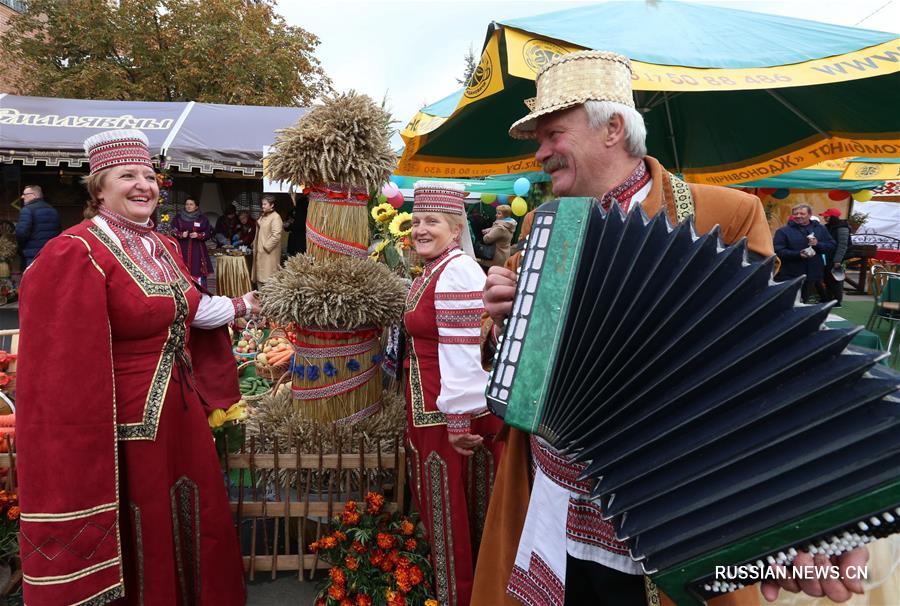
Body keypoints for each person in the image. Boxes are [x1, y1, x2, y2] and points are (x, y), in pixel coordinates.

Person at [474, 51, 867, 606]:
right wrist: (506, 322)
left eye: (552, 134)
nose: (539, 153)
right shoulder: (544, 224)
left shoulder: (725, 214)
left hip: (671, 506)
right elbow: (514, 366)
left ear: (613, 129)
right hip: (551, 496)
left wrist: (803, 490)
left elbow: (765, 361)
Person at [16, 129, 259, 605]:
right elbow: (58, 360)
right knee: (142, 512)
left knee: (189, 502)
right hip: (121, 421)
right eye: (127, 176)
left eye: (149, 175)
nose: (143, 185)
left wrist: (244, 304)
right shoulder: (76, 250)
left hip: (180, 408)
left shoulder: (162, 247)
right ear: (99, 188)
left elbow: (190, 309)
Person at [404, 181, 504, 606]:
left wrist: (459, 420)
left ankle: (460, 598)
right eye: (416, 221)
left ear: (455, 227)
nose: (420, 229)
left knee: (451, 516)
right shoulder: (435, 268)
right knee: (446, 513)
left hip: (446, 417)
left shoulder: (458, 269)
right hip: (432, 411)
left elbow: (464, 349)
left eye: (432, 221)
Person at [774, 204, 835, 303]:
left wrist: (817, 244)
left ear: (810, 215)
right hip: (790, 273)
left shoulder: (820, 229)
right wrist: (797, 254)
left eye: (802, 213)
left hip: (813, 273)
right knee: (788, 300)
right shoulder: (783, 231)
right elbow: (778, 250)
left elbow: (831, 246)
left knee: (804, 300)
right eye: (796, 213)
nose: (798, 216)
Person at [172, 197, 214, 287]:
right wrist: (181, 234)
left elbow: (209, 233)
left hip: (197, 250)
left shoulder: (202, 219)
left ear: (196, 206)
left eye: (191, 204)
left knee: (198, 270)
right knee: (181, 270)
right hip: (181, 249)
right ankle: (185, 294)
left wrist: (198, 235)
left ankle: (201, 294)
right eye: (187, 204)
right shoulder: (178, 218)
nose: (188, 206)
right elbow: (172, 231)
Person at [15, 184, 61, 267]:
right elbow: (58, 232)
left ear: (33, 195)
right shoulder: (53, 210)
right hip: (50, 254)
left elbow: (21, 233)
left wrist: (20, 249)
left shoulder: (27, 210)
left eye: (25, 194)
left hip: (32, 256)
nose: (22, 197)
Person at [821, 207, 851, 307]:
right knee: (827, 278)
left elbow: (843, 245)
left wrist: (837, 260)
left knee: (836, 279)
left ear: (832, 217)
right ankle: (829, 300)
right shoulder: (828, 227)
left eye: (826, 216)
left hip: (837, 258)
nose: (824, 218)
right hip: (828, 257)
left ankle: (837, 301)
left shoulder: (842, 228)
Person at [251, 194, 284, 284]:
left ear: (272, 205)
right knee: (260, 278)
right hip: (261, 253)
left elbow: (276, 235)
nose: (263, 206)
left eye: (265, 204)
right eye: (262, 204)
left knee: (267, 279)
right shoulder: (264, 216)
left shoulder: (276, 217)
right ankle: (260, 297)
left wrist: (265, 247)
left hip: (268, 254)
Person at [478, 204, 517, 269]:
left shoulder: (500, 227)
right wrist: (491, 229)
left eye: (499, 213)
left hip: (495, 257)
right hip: (504, 255)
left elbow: (487, 239)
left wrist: (489, 231)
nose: (496, 215)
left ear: (505, 216)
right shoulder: (509, 225)